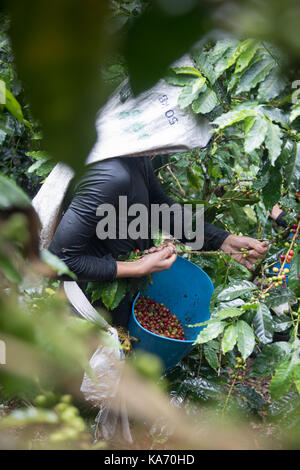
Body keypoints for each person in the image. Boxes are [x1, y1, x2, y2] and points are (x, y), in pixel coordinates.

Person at [49, 156, 268, 327]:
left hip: (118, 300)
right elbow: (58, 260)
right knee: (76, 379)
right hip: (86, 305)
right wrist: (138, 267)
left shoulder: (135, 158)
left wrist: (222, 240)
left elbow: (158, 205)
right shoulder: (111, 175)